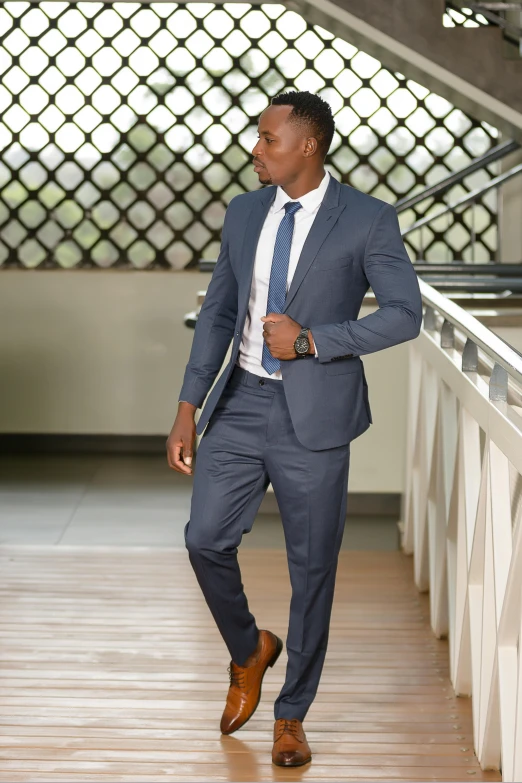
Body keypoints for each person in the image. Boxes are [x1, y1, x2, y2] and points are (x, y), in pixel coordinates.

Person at [166, 90, 422, 767]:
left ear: (307, 145)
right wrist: (190, 403)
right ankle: (249, 647)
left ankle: (290, 715)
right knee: (204, 539)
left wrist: (312, 341)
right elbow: (221, 310)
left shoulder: (368, 219)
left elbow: (404, 314)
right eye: (258, 137)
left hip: (316, 413)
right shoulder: (245, 211)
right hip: (242, 403)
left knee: (313, 570)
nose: (257, 149)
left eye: (268, 139)